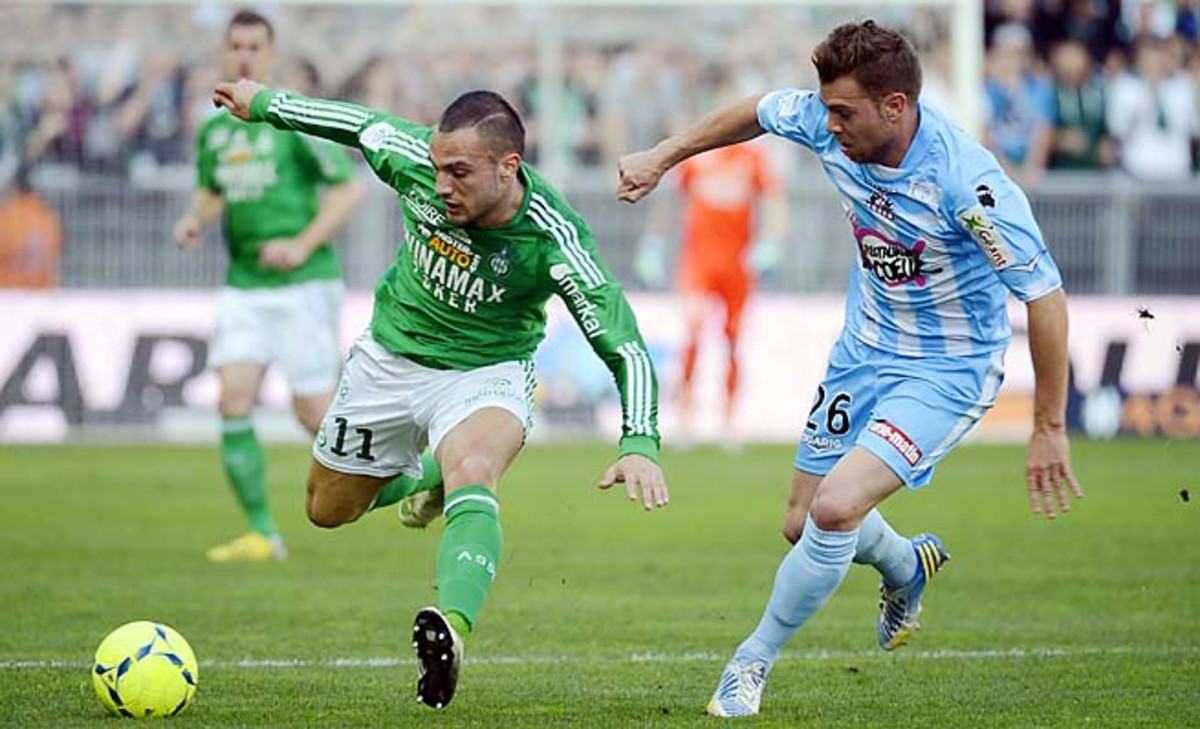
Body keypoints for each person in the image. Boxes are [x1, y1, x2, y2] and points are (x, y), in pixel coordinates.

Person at [618, 20, 1083, 718]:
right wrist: (664, 155)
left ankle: (750, 664)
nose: (828, 125)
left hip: (947, 369)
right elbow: (758, 110)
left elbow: (1044, 296)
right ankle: (906, 564)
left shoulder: (966, 182)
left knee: (835, 508)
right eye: (826, 108)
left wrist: (1048, 425)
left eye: (843, 112)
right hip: (863, 350)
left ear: (895, 106)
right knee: (800, 520)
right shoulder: (827, 121)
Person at [211, 73, 670, 710]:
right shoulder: (415, 162)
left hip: (487, 370)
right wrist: (264, 103)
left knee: (476, 468)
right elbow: (355, 123)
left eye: (459, 172)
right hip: (389, 360)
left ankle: (451, 629)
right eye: (437, 168)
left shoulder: (553, 238)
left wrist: (640, 440)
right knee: (326, 509)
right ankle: (427, 475)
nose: (443, 184)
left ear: (509, 167)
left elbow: (624, 344)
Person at [173, 10, 364, 563]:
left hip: (303, 284)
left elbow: (347, 191)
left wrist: (302, 244)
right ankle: (262, 533)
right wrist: (194, 219)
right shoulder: (214, 129)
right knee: (233, 397)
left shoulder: (291, 120)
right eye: (236, 45)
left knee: (314, 416)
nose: (245, 55)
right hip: (244, 284)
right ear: (224, 52)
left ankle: (413, 477)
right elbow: (214, 189)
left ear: (272, 54)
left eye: (255, 46)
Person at [636, 74, 788, 447]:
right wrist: (653, 243)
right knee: (692, 336)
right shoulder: (697, 157)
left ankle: (729, 421)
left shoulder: (754, 157)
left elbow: (774, 200)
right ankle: (685, 418)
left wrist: (772, 242)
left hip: (738, 264)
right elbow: (669, 200)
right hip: (698, 263)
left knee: (733, 340)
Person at [0, 164, 62, 288]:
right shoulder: (47, 216)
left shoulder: (6, 217)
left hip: (9, 291)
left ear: (14, 186)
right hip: (43, 292)